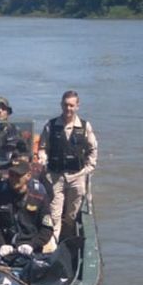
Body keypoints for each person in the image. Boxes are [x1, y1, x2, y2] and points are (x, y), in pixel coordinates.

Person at [43, 90, 97, 243]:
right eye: (66, 105)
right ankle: (52, 245)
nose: (68, 109)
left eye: (72, 105)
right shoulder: (51, 125)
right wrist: (43, 159)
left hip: (77, 176)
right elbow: (43, 147)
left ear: (77, 106)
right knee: (54, 213)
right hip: (56, 176)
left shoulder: (85, 126)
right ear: (61, 105)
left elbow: (93, 149)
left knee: (72, 215)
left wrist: (89, 167)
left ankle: (67, 242)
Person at [0, 153, 55, 258]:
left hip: (29, 251)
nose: (13, 179)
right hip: (4, 250)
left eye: (18, 176)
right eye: (11, 175)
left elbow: (46, 229)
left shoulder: (39, 197)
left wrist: (32, 245)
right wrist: (1, 244)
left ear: (28, 176)